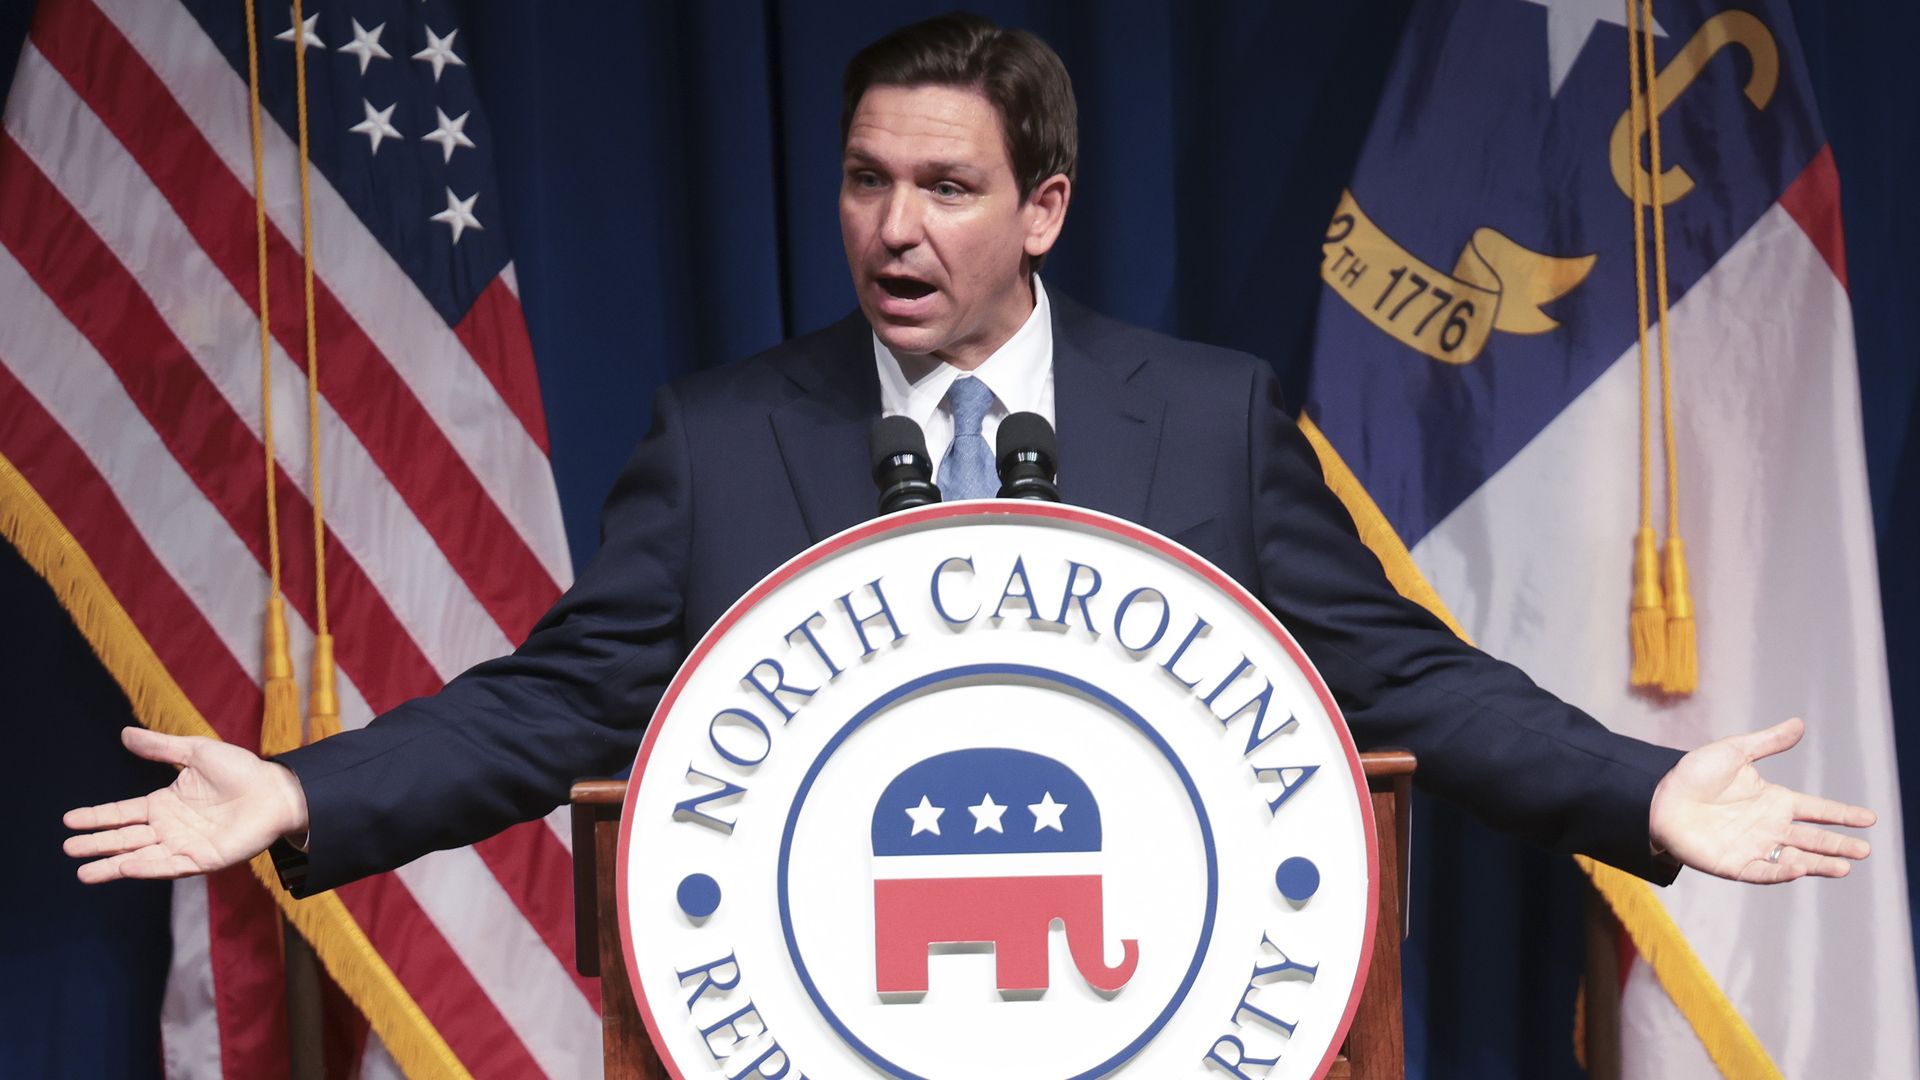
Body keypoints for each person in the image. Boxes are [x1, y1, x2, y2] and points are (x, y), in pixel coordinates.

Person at [65, 14, 1872, 896]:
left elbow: (1399, 670)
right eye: (866, 182)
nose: (894, 229)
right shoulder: (723, 442)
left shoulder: (1205, 419)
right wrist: (302, 791)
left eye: (945, 188)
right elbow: (559, 704)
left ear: (1044, 208)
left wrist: (1640, 792)